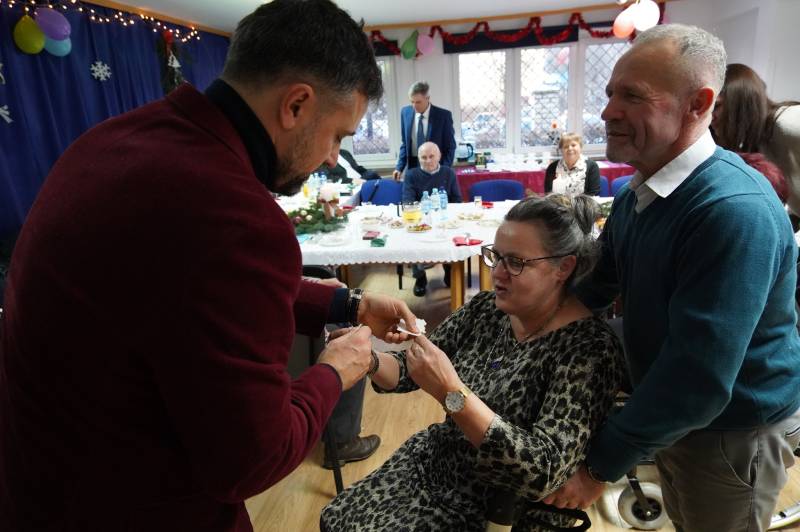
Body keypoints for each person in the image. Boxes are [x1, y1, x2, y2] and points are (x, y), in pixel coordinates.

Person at [0, 2, 420, 531]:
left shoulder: (111, 140)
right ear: (296, 104)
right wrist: (336, 369)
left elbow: (188, 284)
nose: (335, 157)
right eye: (338, 134)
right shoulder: (235, 214)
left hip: (36, 487)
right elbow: (254, 459)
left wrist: (347, 302)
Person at [546, 24, 800, 532]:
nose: (607, 112)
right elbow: (596, 287)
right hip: (672, 412)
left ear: (697, 104)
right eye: (610, 94)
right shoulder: (634, 195)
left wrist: (599, 467)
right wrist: (525, 324)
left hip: (732, 429)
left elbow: (698, 379)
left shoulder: (732, 211)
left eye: (632, 96)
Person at [320, 195, 625, 531]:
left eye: (516, 262)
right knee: (335, 519)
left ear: (563, 268)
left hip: (495, 507)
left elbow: (542, 472)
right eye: (496, 257)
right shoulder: (487, 310)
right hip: (439, 465)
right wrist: (370, 359)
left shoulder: (588, 349)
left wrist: (451, 392)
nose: (498, 273)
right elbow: (409, 370)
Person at [711, 63, 800, 227]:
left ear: (740, 101)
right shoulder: (762, 140)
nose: (710, 117)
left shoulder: (788, 124)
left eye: (716, 106)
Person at [401, 141, 464, 296]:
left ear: (439, 156)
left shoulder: (448, 173)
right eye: (423, 157)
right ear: (419, 158)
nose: (428, 160)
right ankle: (420, 277)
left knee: (452, 236)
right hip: (421, 218)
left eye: (431, 156)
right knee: (413, 240)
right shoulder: (411, 174)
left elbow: (457, 200)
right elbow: (408, 201)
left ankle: (449, 269)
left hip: (445, 218)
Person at [392, 81, 455, 180]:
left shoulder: (443, 116)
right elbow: (405, 144)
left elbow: (450, 147)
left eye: (418, 102)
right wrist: (399, 167)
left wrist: (443, 170)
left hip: (435, 167)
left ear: (427, 98)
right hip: (412, 167)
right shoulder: (405, 112)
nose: (414, 106)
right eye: (412, 102)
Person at [316, 147, 381, 184]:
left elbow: (356, 167)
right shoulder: (322, 158)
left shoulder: (344, 152)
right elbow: (328, 177)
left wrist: (367, 171)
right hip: (347, 182)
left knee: (373, 175)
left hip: (362, 177)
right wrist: (351, 180)